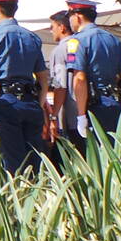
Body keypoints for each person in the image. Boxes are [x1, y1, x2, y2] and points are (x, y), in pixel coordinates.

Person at [0, 0, 52, 174]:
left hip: (6, 104)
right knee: (34, 157)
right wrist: (39, 104)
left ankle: (20, 199)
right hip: (30, 102)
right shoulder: (32, 37)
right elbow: (43, 76)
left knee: (13, 160)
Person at [65, 0, 121, 144]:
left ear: (77, 16)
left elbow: (80, 78)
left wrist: (81, 115)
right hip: (117, 103)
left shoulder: (75, 41)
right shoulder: (113, 39)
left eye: (69, 16)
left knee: (101, 157)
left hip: (96, 107)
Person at [48, 10, 81, 147]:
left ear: (62, 27)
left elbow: (59, 85)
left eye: (52, 27)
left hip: (71, 117)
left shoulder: (59, 51)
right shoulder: (82, 44)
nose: (51, 31)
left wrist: (54, 116)